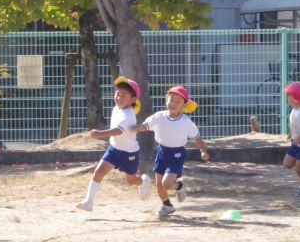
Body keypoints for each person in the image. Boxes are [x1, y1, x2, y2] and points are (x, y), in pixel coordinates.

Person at [75, 76, 153, 211]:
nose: (119, 98)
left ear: (133, 99)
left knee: (131, 181)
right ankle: (89, 201)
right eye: (117, 94)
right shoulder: (116, 109)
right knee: (98, 172)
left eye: (124, 95)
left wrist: (100, 133)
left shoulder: (128, 114)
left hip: (129, 153)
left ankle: (143, 181)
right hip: (114, 149)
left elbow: (118, 131)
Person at [132, 85, 210, 218]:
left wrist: (203, 151)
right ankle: (167, 205)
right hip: (161, 152)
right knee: (159, 184)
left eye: (178, 101)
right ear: (166, 100)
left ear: (184, 105)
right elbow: (146, 125)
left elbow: (196, 136)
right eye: (171, 99)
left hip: (177, 154)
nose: (173, 103)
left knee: (167, 184)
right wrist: (135, 128)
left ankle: (179, 186)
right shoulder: (159, 116)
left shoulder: (186, 121)